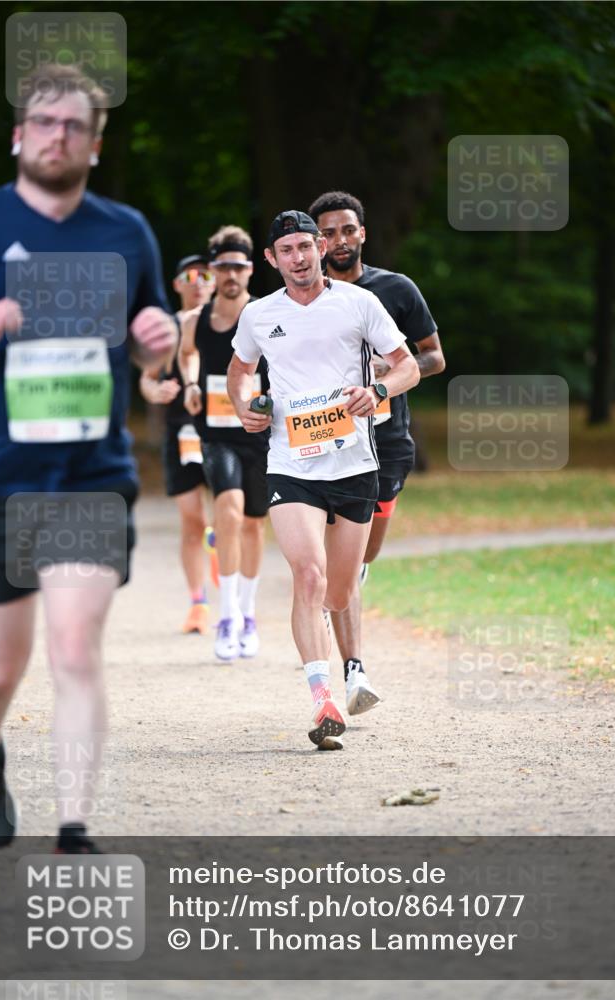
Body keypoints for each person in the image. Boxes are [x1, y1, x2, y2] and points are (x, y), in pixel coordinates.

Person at [0, 65, 177, 852]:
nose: (59, 135)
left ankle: (73, 826)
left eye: (75, 127)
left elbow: (151, 347)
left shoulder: (124, 231)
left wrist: (159, 342)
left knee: (72, 647)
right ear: (20, 134)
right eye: (45, 122)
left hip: (92, 475)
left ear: (94, 145)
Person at [227, 211, 419, 750]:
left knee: (338, 589)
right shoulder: (260, 315)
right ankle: (322, 699)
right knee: (307, 576)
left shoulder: (360, 303)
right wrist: (245, 405)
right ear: (272, 259)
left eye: (306, 247)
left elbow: (408, 365)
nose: (299, 257)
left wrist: (379, 392)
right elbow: (240, 371)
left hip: (355, 464)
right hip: (292, 463)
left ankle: (351, 661)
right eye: (286, 250)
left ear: (320, 248)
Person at [308, 190, 445, 715]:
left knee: (364, 556)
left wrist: (388, 372)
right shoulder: (303, 300)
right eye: (328, 233)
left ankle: (342, 591)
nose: (339, 241)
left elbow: (433, 357)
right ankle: (344, 658)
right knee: (326, 560)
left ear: (362, 233)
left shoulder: (395, 289)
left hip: (386, 441)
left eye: (347, 230)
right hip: (321, 439)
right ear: (316, 241)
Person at [179, 226, 268, 661]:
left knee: (253, 523)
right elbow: (187, 353)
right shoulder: (197, 320)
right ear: (212, 271)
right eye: (222, 267)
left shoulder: (267, 314)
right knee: (227, 511)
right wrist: (191, 383)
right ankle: (227, 615)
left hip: (259, 433)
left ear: (250, 269)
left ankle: (248, 614)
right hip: (215, 432)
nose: (230, 273)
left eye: (238, 266)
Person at [139, 254, 217, 634]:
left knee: (230, 515)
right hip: (181, 434)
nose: (199, 281)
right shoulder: (167, 331)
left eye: (206, 274)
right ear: (177, 284)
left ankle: (229, 577)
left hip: (224, 433)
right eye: (191, 275)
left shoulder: (231, 323)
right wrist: (157, 391)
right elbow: (147, 379)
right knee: (193, 521)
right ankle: (197, 603)